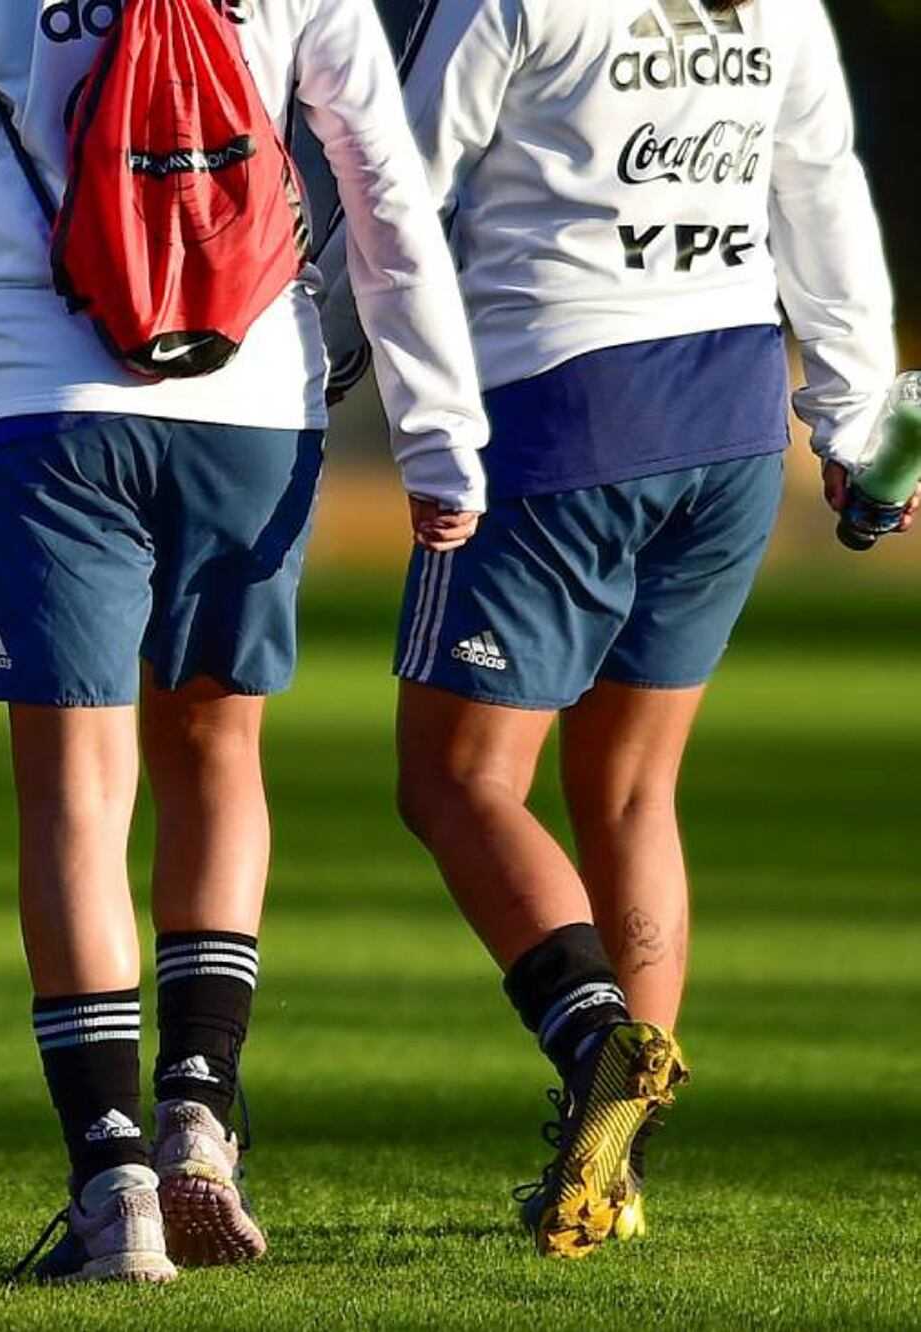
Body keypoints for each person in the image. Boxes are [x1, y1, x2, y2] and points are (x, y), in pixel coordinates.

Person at [0, 0, 489, 1283]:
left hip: (47, 396)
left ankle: (112, 1181)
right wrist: (437, 425)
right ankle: (198, 1113)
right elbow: (379, 176)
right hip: (252, 397)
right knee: (216, 752)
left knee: (77, 787)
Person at [321, 0, 906, 1260]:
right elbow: (822, 193)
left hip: (561, 405)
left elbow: (391, 181)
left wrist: (318, 352)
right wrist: (857, 421)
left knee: (458, 781)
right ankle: (614, 1170)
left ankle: (596, 1037)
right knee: (633, 792)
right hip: (732, 415)